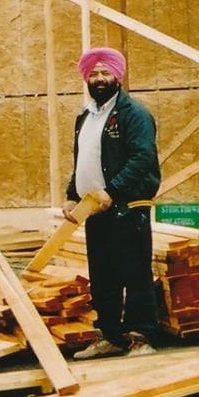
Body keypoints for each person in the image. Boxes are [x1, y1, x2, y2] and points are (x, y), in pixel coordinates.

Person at [65, 46, 161, 359]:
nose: (100, 78)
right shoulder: (86, 115)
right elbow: (82, 159)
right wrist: (71, 194)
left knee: (134, 272)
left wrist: (113, 191)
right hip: (95, 208)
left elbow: (142, 158)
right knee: (103, 275)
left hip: (126, 206)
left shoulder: (134, 114)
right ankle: (110, 335)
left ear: (117, 76)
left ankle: (141, 336)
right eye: (93, 73)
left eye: (106, 72)